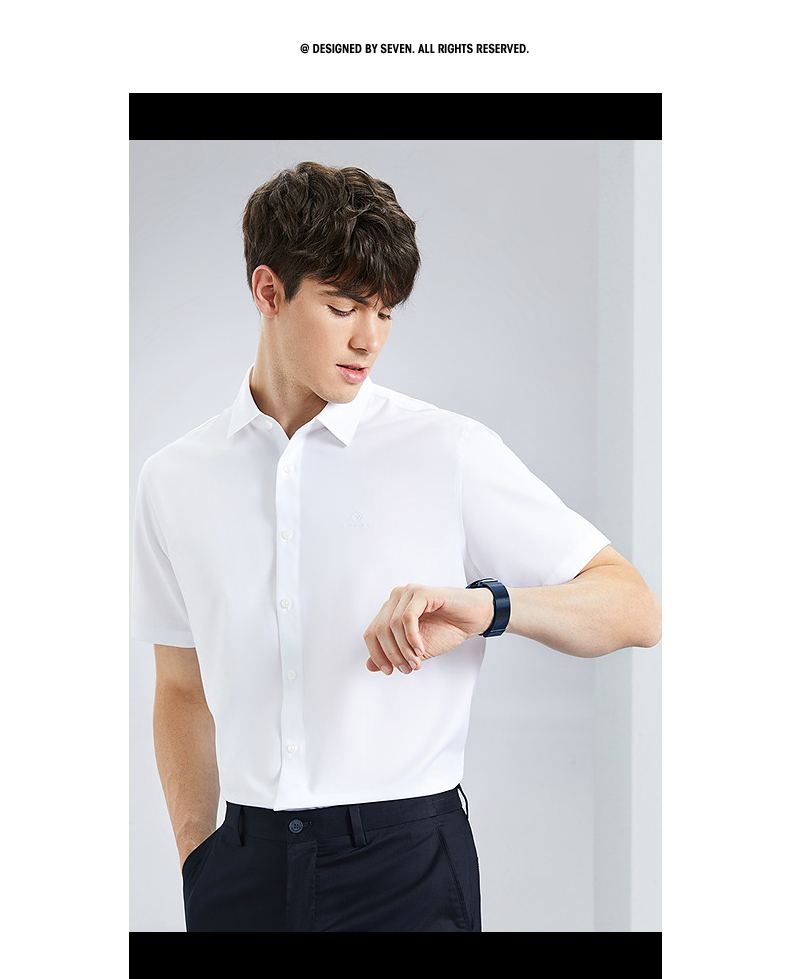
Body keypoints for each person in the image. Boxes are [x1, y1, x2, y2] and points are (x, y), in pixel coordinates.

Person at [131, 161, 661, 933]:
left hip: (405, 872)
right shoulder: (173, 479)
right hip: (242, 871)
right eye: (343, 306)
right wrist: (196, 857)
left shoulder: (447, 451)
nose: (369, 338)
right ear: (268, 291)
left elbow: (634, 607)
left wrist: (489, 606)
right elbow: (180, 686)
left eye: (384, 311)